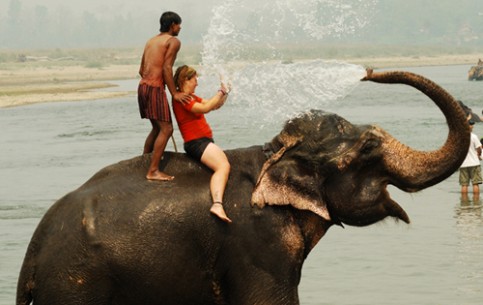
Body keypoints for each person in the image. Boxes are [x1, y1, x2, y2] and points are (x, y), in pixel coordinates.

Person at [172, 65, 232, 223]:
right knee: (223, 166)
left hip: (202, 141)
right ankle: (217, 204)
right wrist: (221, 92)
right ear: (185, 80)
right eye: (194, 79)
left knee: (223, 165)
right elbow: (205, 108)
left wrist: (225, 91)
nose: (197, 83)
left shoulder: (191, 97)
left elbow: (214, 105)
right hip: (196, 142)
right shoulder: (183, 98)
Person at [138, 11, 190, 181]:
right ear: (171, 25)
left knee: (156, 128)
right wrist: (174, 93)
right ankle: (153, 170)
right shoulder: (173, 41)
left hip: (143, 87)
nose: (180, 27)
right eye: (178, 24)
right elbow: (167, 68)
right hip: (153, 88)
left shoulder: (151, 41)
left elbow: (141, 70)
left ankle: (144, 159)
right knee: (167, 129)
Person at [459, 120, 482, 195]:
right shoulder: (474, 136)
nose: (472, 126)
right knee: (475, 184)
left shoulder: (460, 137)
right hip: (474, 163)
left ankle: (464, 203)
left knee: (464, 185)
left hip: (463, 164)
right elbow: (479, 148)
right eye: (471, 125)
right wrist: (479, 154)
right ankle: (476, 203)